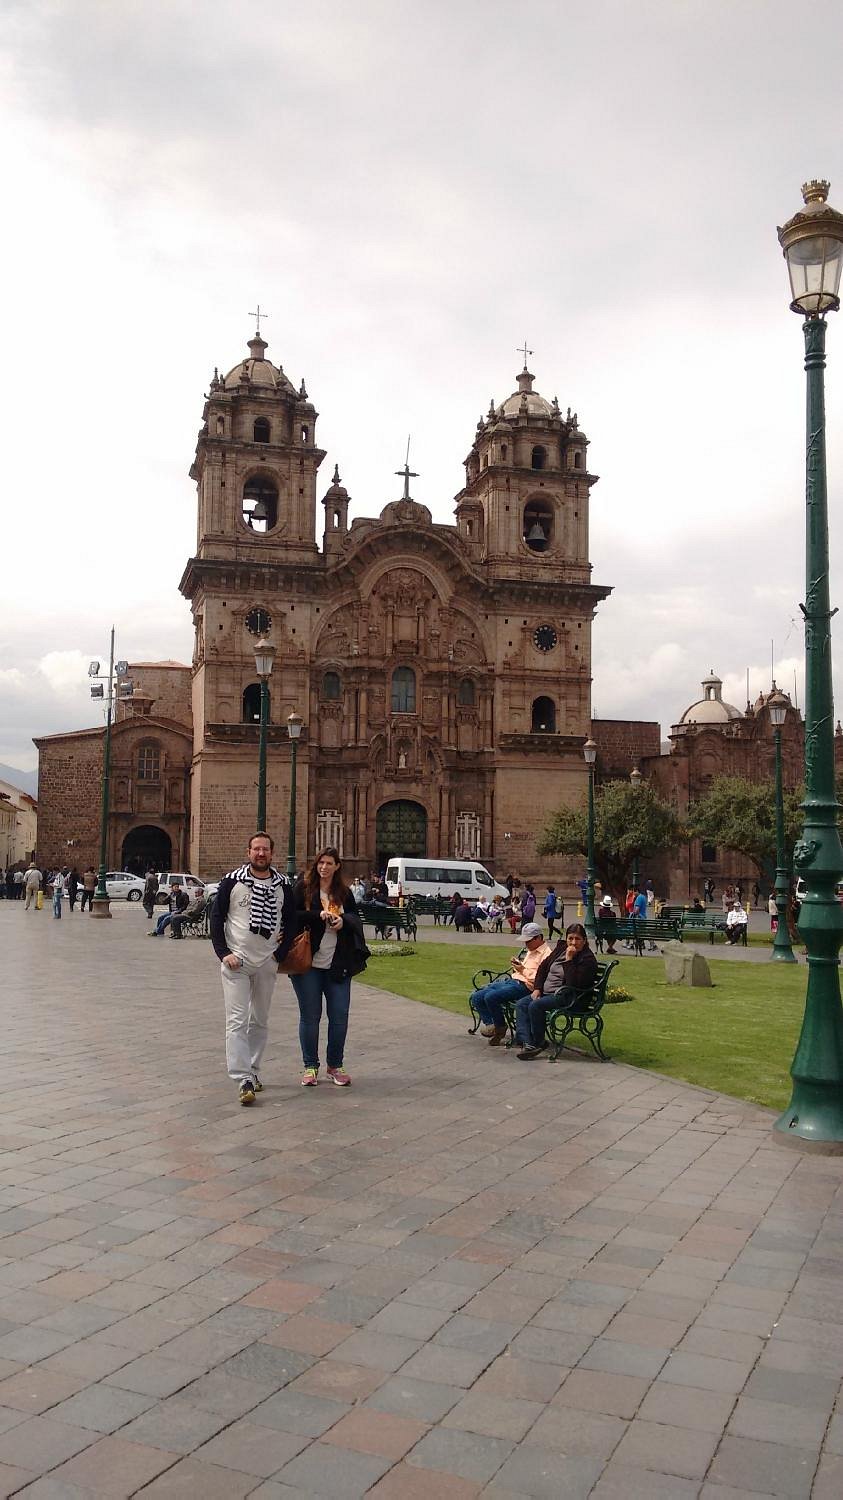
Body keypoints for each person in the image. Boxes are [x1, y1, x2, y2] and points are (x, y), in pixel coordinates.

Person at [210, 832, 295, 1106]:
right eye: (256, 849)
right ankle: (242, 1077)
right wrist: (224, 953)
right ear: (248, 852)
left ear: (272, 853)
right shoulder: (232, 881)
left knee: (259, 1019)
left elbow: (291, 921)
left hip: (267, 962)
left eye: (266, 850)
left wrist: (279, 955)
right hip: (238, 962)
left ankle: (254, 1071)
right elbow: (216, 917)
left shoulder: (283, 885)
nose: (261, 854)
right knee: (236, 1020)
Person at [291, 846, 367, 1087]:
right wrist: (318, 916)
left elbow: (356, 919)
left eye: (329, 863)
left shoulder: (344, 893)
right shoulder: (303, 889)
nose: (324, 867)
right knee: (311, 1017)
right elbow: (290, 917)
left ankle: (335, 1065)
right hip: (308, 964)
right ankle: (310, 1066)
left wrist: (342, 922)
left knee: (339, 1017)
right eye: (321, 862)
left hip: (338, 963)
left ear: (337, 866)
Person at [516, 922, 599, 1059]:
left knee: (535, 1005)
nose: (573, 942)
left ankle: (539, 1043)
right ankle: (527, 1043)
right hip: (548, 992)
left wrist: (569, 959)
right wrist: (537, 988)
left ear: (584, 941)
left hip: (570, 997)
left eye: (577, 939)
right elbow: (543, 967)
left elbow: (573, 984)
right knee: (522, 1004)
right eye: (570, 938)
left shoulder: (587, 960)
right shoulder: (561, 948)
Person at [467, 922, 553, 1046]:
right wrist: (518, 965)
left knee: (491, 997)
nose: (526, 944)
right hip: (514, 980)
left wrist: (522, 970)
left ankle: (500, 1027)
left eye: (528, 941)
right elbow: (527, 968)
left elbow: (540, 978)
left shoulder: (547, 955)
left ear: (538, 938)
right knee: (477, 996)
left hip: (526, 987)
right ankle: (491, 1024)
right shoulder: (531, 950)